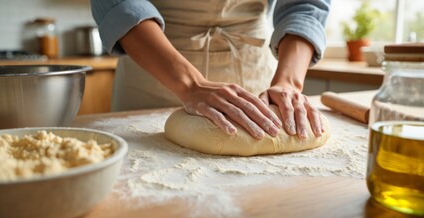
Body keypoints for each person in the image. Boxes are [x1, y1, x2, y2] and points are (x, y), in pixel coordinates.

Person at [90, 0, 331, 140]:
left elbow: (305, 4)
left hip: (254, 77)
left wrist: (288, 82)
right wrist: (190, 84)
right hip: (153, 67)